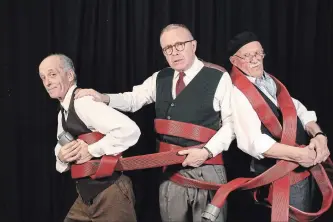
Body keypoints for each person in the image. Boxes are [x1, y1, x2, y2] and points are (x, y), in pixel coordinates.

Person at [74, 24, 235, 222]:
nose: (174, 52)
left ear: (193, 46)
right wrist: (104, 97)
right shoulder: (161, 77)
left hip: (207, 169)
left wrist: (206, 152)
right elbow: (133, 99)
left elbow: (231, 125)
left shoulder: (219, 77)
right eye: (168, 49)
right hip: (170, 172)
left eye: (179, 45)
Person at [226, 31, 330, 221]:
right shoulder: (236, 92)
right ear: (234, 61)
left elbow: (297, 109)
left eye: (258, 53)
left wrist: (319, 135)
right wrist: (301, 155)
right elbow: (253, 142)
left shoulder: (269, 81)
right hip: (279, 178)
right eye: (248, 56)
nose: (255, 60)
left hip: (304, 170)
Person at [38, 54, 140, 222]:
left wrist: (91, 150)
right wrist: (62, 157)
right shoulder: (62, 113)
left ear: (69, 76)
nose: (47, 82)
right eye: (43, 78)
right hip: (87, 196)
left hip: (111, 193)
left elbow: (130, 130)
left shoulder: (83, 103)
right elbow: (60, 147)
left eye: (52, 74)